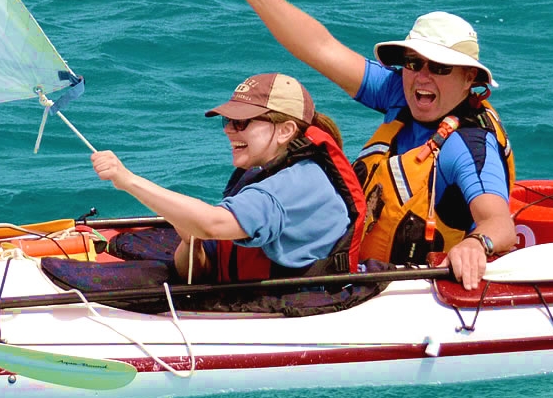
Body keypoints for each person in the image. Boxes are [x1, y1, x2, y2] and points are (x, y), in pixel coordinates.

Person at [211, 0, 516, 290]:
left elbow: (499, 224)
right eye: (414, 63)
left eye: (440, 68)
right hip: (353, 270)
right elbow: (320, 48)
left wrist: (477, 244)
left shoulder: (470, 145)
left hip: (407, 292)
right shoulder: (399, 92)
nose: (422, 77)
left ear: (469, 80)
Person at [89, 73, 366, 285]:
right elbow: (198, 267)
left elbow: (212, 224)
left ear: (285, 131)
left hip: (299, 311)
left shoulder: (295, 185)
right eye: (228, 122)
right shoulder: (262, 174)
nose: (229, 131)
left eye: (241, 122)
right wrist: (189, 239)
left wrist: (127, 180)